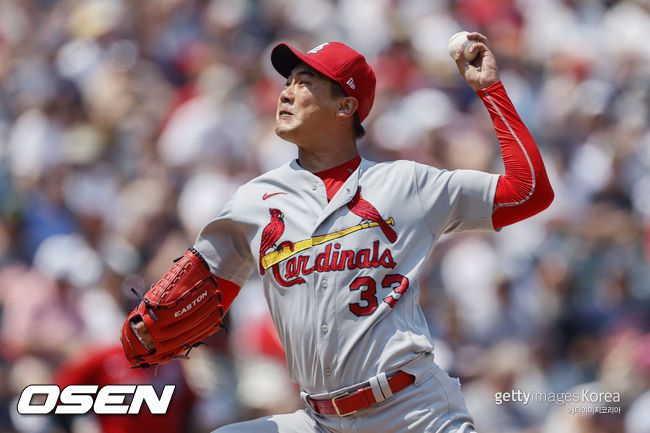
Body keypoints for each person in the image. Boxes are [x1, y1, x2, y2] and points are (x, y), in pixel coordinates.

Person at [122, 33, 554, 433]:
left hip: (413, 412)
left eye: (304, 83)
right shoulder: (254, 202)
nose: (286, 92)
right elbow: (199, 288)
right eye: (287, 82)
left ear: (345, 106)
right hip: (320, 420)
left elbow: (529, 191)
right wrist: (151, 326)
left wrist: (490, 89)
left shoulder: (406, 184)